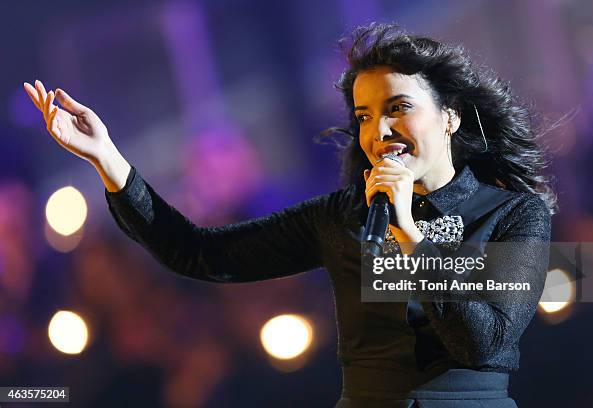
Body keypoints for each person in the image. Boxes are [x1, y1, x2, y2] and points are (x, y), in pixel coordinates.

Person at [25, 23, 554, 408]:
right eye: (365, 116)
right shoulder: (345, 216)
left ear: (449, 116)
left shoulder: (513, 215)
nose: (378, 132)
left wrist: (410, 235)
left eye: (398, 108)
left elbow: (482, 340)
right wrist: (108, 159)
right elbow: (201, 253)